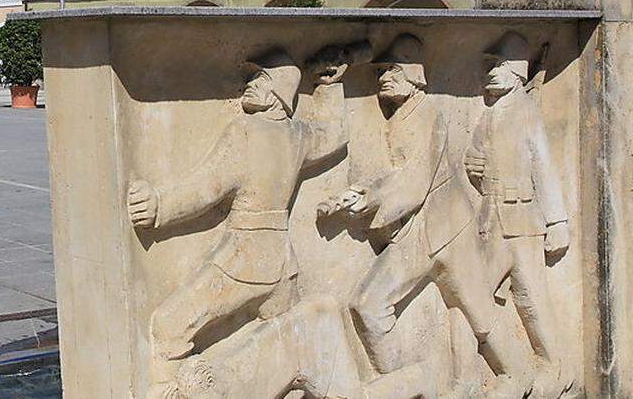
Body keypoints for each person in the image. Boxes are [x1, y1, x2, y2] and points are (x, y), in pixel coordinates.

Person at [127, 44, 362, 398]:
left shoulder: (246, 131)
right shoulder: (297, 135)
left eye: (260, 79)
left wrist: (159, 206)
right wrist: (329, 85)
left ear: (278, 94)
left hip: (244, 259)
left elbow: (206, 187)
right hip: (283, 264)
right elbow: (335, 133)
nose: (250, 84)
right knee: (284, 344)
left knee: (167, 325)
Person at [325, 34, 532, 397]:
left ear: (413, 74)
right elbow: (398, 175)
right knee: (368, 305)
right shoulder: (401, 116)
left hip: (448, 230)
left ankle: (518, 374)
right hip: (418, 234)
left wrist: (368, 201)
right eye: (381, 72)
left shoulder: (429, 114)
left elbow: (414, 180)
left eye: (391, 70)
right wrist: (360, 193)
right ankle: (410, 383)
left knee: (479, 311)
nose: (383, 78)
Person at [465, 32, 572, 396]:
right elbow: (473, 161)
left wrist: (557, 221)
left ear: (516, 73)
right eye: (491, 65)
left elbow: (543, 166)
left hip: (522, 219)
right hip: (491, 221)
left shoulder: (526, 112)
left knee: (532, 300)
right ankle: (511, 368)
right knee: (477, 294)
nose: (492, 71)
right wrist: (474, 166)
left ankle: (557, 369)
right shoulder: (490, 114)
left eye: (499, 65)